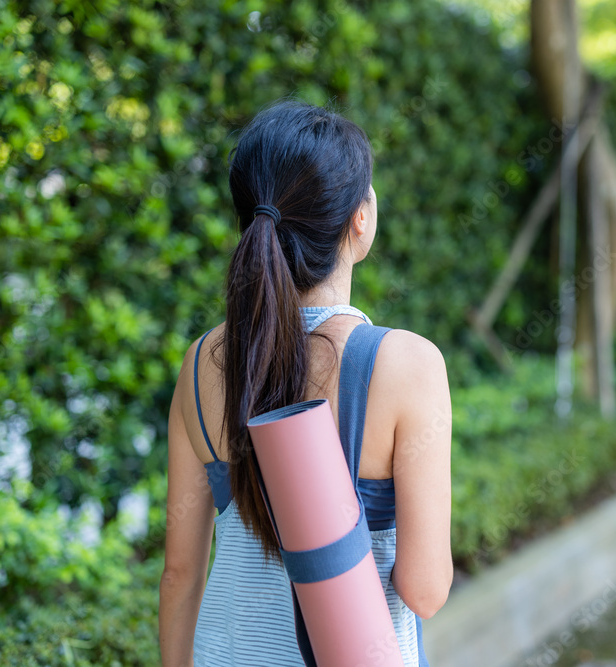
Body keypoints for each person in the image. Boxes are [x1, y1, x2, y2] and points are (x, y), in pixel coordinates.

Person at [158, 100, 453, 667]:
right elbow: (425, 589)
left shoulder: (201, 364)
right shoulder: (406, 365)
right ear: (359, 218)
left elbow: (180, 573)